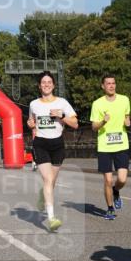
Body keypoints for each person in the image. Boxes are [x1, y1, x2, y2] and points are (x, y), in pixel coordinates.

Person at [27, 71, 77, 232]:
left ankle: (44, 196)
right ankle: (51, 218)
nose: (46, 84)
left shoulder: (62, 103)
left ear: (53, 85)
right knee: (48, 179)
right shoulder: (34, 104)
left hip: (57, 144)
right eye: (43, 82)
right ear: (39, 85)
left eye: (49, 82)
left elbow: (75, 124)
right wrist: (30, 124)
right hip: (40, 144)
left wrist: (61, 116)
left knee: (51, 181)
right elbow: (32, 122)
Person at [91, 75, 131, 221]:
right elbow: (94, 127)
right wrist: (103, 122)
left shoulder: (124, 100)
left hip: (121, 144)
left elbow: (127, 117)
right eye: (108, 83)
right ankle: (109, 209)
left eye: (113, 83)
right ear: (103, 86)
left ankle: (116, 191)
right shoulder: (97, 104)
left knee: (122, 179)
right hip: (104, 146)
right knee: (108, 180)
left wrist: (128, 122)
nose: (111, 86)